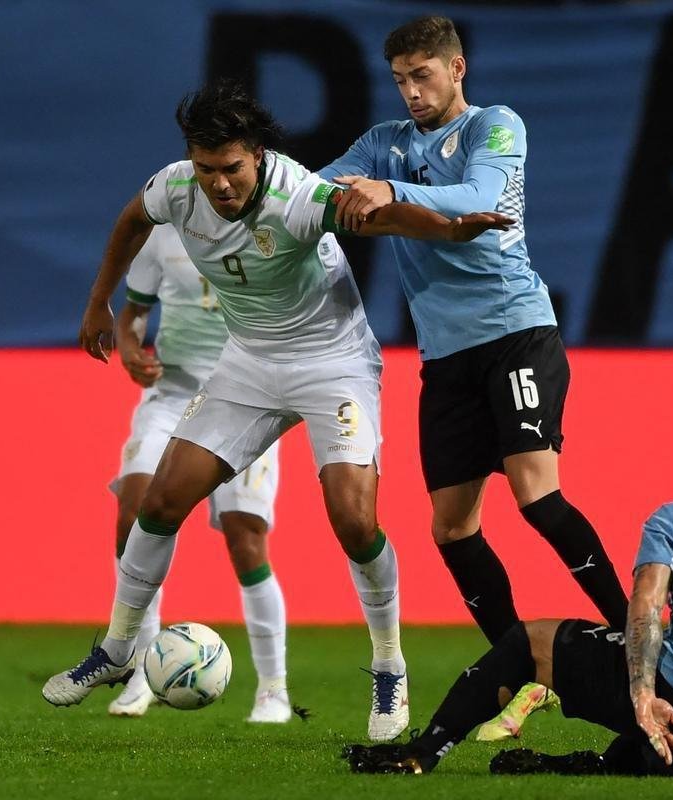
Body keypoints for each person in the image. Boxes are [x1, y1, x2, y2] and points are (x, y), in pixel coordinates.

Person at [40, 79, 513, 742]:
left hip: (333, 365)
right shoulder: (177, 187)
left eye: (231, 169)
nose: (219, 185)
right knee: (160, 503)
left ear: (256, 155)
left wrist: (453, 227)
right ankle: (118, 650)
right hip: (249, 365)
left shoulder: (298, 196)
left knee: (353, 520)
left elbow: (383, 218)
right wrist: (98, 303)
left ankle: (388, 663)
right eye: (207, 170)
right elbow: (131, 220)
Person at [318, 15, 628, 739]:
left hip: (516, 332)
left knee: (535, 492)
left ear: (457, 68)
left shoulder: (494, 126)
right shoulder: (383, 139)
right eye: (400, 78)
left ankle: (637, 638)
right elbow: (320, 193)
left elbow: (475, 199)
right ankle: (518, 665)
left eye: (422, 75)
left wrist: (380, 191)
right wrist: (318, 191)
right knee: (452, 528)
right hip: (445, 357)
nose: (411, 91)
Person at [343, 422, 673, 777]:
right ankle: (580, 765)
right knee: (652, 727)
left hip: (669, 708)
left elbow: (643, 608)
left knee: (531, 640)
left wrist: (642, 696)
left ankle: (422, 752)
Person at [105, 224, 290, 723]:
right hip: (172, 395)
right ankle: (144, 669)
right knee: (134, 513)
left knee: (245, 538)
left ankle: (273, 689)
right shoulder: (162, 236)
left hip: (246, 399)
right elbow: (134, 315)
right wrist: (129, 350)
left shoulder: (270, 228)